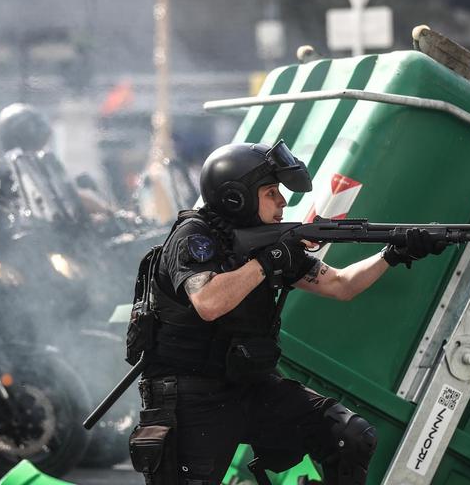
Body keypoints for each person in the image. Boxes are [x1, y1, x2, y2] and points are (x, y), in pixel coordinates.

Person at [131, 140, 446, 485]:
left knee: (349, 435)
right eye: (271, 192)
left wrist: (393, 254)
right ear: (237, 196)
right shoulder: (194, 238)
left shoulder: (270, 246)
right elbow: (208, 302)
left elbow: (341, 285)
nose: (283, 201)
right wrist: (268, 262)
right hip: (190, 396)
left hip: (248, 387)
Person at [0, 102, 111, 216]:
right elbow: (64, 196)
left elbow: (67, 196)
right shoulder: (14, 172)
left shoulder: (34, 167)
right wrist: (107, 212)